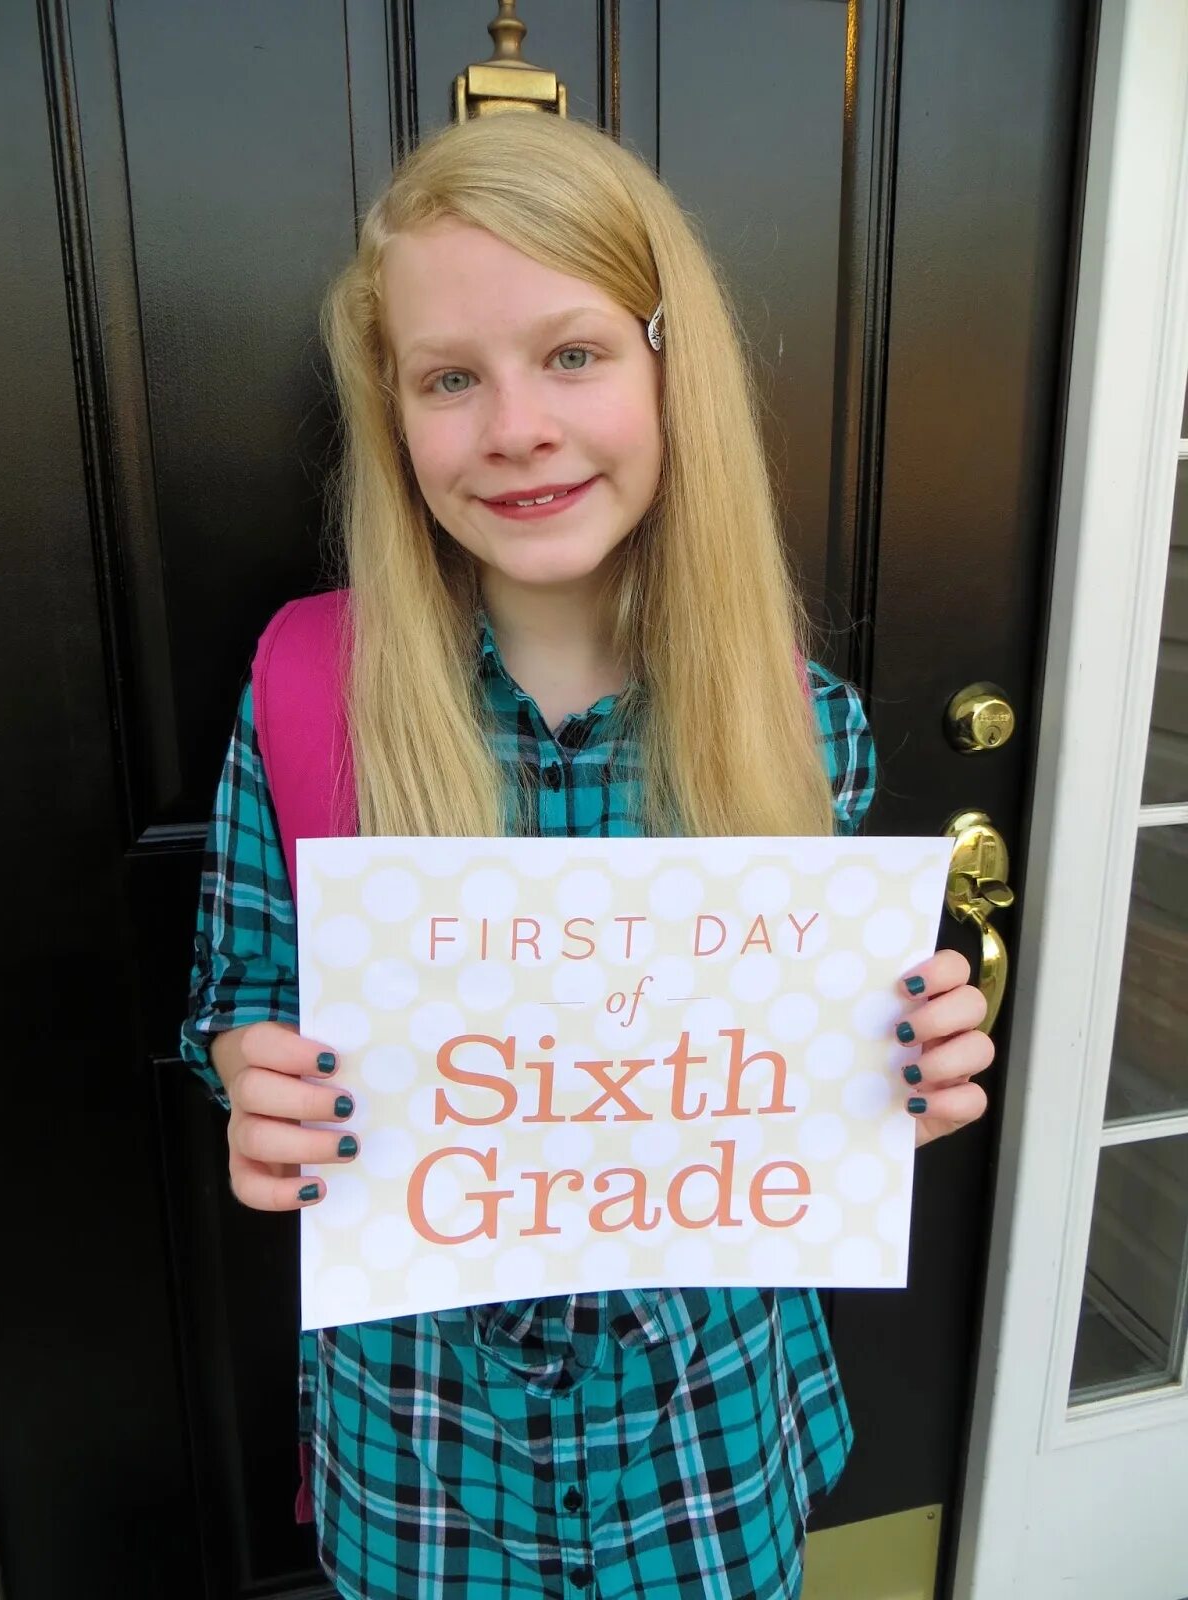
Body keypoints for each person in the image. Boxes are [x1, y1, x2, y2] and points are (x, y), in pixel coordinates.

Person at [181, 111, 992, 1600]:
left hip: (710, 1449)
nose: (515, 427)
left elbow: (820, 1051)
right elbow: (240, 979)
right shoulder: (307, 693)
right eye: (449, 379)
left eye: (572, 354)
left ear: (669, 369)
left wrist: (904, 1065)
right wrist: (253, 1076)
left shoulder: (803, 726)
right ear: (393, 414)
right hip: (422, 1460)